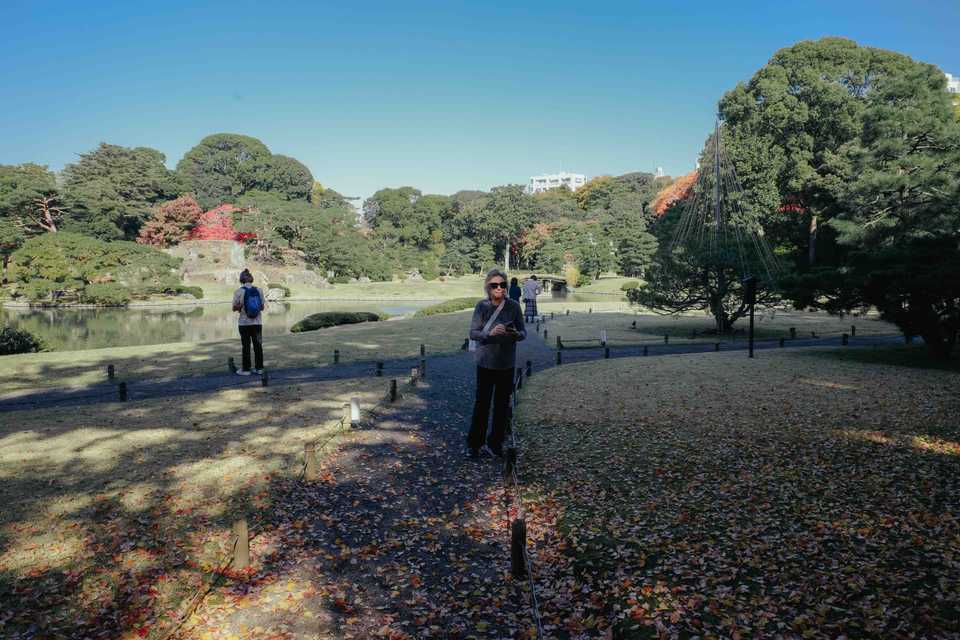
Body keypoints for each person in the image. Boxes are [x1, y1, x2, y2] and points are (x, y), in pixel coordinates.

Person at [467, 268, 526, 459]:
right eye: (494, 285)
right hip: (485, 363)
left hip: (506, 364)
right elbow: (473, 333)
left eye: (502, 284)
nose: (499, 288)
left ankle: (496, 443)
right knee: (481, 405)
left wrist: (515, 334)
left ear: (506, 286)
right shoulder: (481, 306)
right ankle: (476, 444)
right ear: (488, 287)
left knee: (501, 406)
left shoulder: (514, 307)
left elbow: (523, 332)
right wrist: (489, 334)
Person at [231, 269, 266, 375]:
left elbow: (234, 308)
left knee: (246, 346)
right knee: (258, 345)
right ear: (251, 279)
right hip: (257, 323)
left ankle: (246, 370)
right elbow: (262, 307)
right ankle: (259, 368)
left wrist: (240, 307)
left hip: (244, 323)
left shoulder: (238, 291)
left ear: (241, 280)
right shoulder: (259, 290)